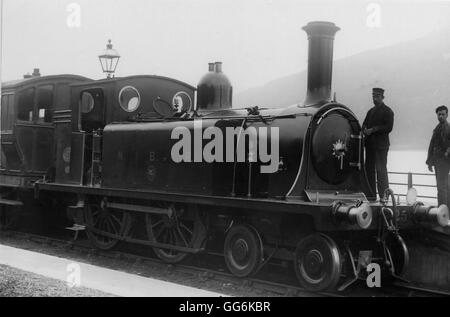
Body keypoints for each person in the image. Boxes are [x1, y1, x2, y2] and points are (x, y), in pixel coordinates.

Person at [362, 88, 394, 200]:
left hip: (381, 146)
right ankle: (370, 196)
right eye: (373, 96)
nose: (375, 98)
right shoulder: (370, 112)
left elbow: (389, 127)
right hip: (370, 146)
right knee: (369, 170)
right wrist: (365, 130)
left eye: (377, 96)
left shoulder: (388, 111)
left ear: (382, 97)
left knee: (381, 171)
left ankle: (384, 197)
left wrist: (373, 129)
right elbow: (364, 125)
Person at [426, 105, 450, 207]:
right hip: (437, 162)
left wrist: (446, 154)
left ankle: (442, 211)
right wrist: (429, 162)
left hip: (444, 162)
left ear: (447, 115)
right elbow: (432, 145)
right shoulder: (437, 128)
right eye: (439, 114)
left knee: (442, 188)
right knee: (444, 187)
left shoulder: (448, 128)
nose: (440, 116)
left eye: (443, 114)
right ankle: (446, 210)